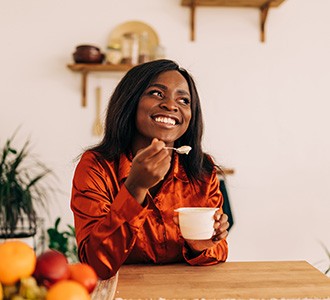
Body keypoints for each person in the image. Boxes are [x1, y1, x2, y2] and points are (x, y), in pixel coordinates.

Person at [71, 59, 229, 280]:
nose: (171, 105)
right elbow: (95, 264)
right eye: (157, 93)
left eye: (184, 100)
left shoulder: (202, 169)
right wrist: (135, 188)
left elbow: (219, 251)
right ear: (130, 101)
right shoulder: (96, 167)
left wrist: (200, 246)